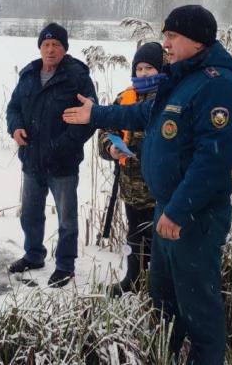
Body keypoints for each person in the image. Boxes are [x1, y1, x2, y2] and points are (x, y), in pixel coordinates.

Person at [63, 5, 232, 364]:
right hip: (167, 209)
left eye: (172, 36)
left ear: (196, 40)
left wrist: (178, 211)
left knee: (199, 308)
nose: (166, 44)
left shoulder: (218, 86)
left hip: (192, 218)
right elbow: (142, 114)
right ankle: (165, 354)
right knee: (163, 298)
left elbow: (212, 161)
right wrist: (96, 114)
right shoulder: (181, 78)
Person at [5, 22, 96, 288]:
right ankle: (34, 255)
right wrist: (16, 127)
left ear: (65, 48)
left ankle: (65, 266)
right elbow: (13, 108)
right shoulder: (29, 74)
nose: (51, 49)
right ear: (40, 48)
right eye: (46, 44)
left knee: (67, 219)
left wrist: (63, 145)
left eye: (56, 44)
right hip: (32, 160)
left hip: (63, 164)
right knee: (30, 214)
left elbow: (89, 118)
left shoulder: (77, 77)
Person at [96, 42, 165, 296]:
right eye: (140, 68)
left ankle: (157, 287)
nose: (144, 73)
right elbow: (105, 131)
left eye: (150, 68)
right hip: (130, 188)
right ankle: (133, 279)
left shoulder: (169, 98)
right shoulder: (125, 97)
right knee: (134, 236)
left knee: (159, 242)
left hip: (158, 191)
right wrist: (110, 148)